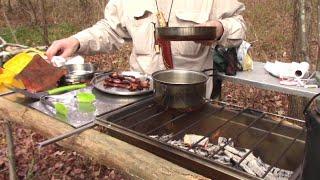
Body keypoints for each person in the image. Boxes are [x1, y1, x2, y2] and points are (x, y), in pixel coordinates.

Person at [46, 0, 246, 97]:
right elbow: (110, 28)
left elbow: (238, 24)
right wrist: (76, 41)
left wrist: (220, 28)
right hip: (140, 96)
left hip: (192, 97)